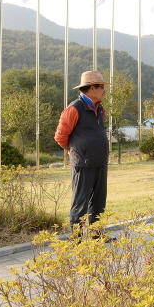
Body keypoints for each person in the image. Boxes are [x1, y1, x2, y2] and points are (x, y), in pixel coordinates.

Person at [54, 70, 111, 230]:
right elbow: (60, 137)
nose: (104, 91)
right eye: (101, 87)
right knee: (80, 204)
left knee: (99, 203)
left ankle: (97, 237)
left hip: (100, 162)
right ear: (91, 88)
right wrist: (76, 151)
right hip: (83, 165)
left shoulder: (100, 109)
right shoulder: (74, 109)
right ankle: (77, 241)